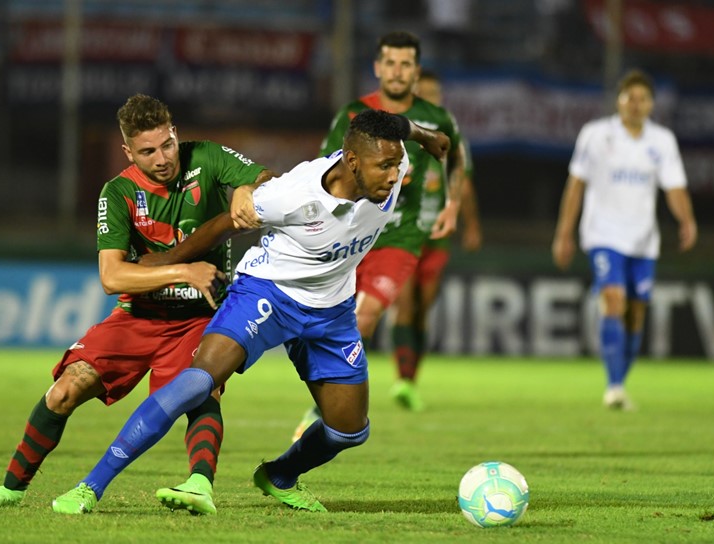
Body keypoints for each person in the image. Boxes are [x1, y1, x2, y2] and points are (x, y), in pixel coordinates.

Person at [48, 109, 450, 515]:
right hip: (267, 294)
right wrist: (169, 260)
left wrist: (427, 135)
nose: (395, 174)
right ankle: (90, 486)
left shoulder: (396, 167)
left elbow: (396, 126)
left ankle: (279, 475)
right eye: (384, 166)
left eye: (396, 163)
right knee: (197, 382)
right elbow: (226, 222)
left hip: (332, 311)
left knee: (349, 431)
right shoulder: (292, 194)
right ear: (351, 161)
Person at [0, 94, 273, 514]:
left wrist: (246, 189)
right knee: (64, 390)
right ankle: (11, 488)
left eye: (166, 145)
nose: (162, 158)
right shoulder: (119, 192)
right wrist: (182, 271)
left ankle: (200, 485)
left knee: (202, 393)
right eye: (147, 151)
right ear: (129, 151)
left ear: (175, 134)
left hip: (199, 319)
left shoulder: (208, 157)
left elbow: (266, 180)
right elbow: (112, 277)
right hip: (138, 316)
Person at [291, 32, 463, 434]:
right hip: (352, 231)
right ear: (378, 67)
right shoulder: (353, 113)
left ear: (416, 71)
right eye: (391, 62)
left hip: (401, 237)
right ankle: (328, 394)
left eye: (406, 64)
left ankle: (320, 414)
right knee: (331, 318)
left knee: (364, 316)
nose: (398, 71)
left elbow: (455, 161)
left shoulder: (437, 118)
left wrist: (452, 204)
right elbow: (326, 165)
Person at [551, 69, 697, 410]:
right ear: (618, 101)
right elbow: (576, 186)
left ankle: (620, 381)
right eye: (629, 97)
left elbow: (675, 188)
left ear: (651, 105)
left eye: (642, 99)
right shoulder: (596, 135)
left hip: (644, 240)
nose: (635, 104)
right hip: (602, 234)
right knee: (613, 300)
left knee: (635, 313)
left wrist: (686, 220)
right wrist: (564, 233)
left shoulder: (662, 142)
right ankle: (614, 386)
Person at [388, 69, 483, 411]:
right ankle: (401, 378)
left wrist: (471, 224)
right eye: (423, 92)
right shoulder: (402, 133)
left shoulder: (449, 134)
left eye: (434, 93)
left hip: (438, 234)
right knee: (405, 301)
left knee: (423, 307)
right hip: (404, 230)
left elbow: (463, 179)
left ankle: (412, 379)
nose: (429, 98)